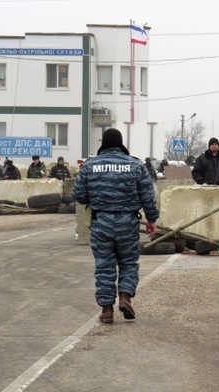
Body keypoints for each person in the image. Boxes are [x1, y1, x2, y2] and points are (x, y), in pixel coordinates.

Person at [72, 128, 159, 324]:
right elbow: (148, 196)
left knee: (104, 265)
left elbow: (78, 194)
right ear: (121, 144)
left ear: (103, 143)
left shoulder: (89, 165)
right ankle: (125, 297)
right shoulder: (135, 165)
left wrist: (93, 197)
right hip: (127, 222)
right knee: (128, 262)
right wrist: (152, 220)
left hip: (101, 221)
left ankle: (107, 310)